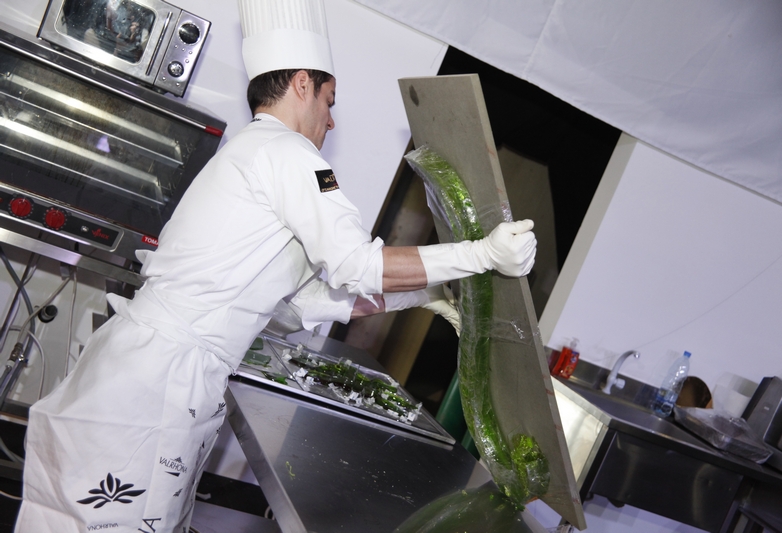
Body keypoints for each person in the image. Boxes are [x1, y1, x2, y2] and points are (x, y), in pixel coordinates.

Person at [14, 1, 537, 531]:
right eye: (330, 101)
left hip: (148, 369)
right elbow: (356, 265)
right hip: (158, 382)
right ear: (304, 84)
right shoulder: (292, 155)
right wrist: (482, 255)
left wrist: (427, 291)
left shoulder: (254, 151)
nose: (332, 120)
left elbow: (311, 298)